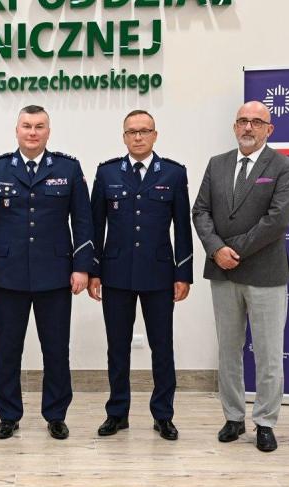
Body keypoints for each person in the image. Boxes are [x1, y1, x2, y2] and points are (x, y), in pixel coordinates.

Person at [0, 105, 94, 440]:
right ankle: (8, 415)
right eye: (27, 126)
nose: (33, 132)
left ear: (48, 132)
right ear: (17, 130)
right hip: (7, 275)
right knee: (8, 350)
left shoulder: (68, 168)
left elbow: (83, 222)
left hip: (55, 275)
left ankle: (56, 414)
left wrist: (82, 267)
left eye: (39, 126)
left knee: (56, 350)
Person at [192, 101, 289, 453]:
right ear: (234, 127)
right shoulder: (217, 164)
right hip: (222, 272)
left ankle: (265, 422)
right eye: (242, 121)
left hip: (265, 272)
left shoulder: (284, 166)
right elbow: (200, 211)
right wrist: (216, 249)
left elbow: (278, 219)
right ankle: (233, 418)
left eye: (256, 122)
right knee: (229, 350)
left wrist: (232, 249)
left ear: (270, 129)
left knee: (268, 354)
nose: (248, 127)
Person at [88, 110, 193, 441]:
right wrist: (93, 271)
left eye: (144, 131)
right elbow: (95, 226)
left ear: (155, 135)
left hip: (159, 274)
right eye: (132, 131)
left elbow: (183, 228)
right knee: (117, 348)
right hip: (116, 273)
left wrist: (183, 272)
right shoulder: (107, 173)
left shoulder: (174, 173)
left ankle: (163, 415)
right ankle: (117, 413)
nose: (138, 136)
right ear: (123, 137)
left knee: (162, 347)